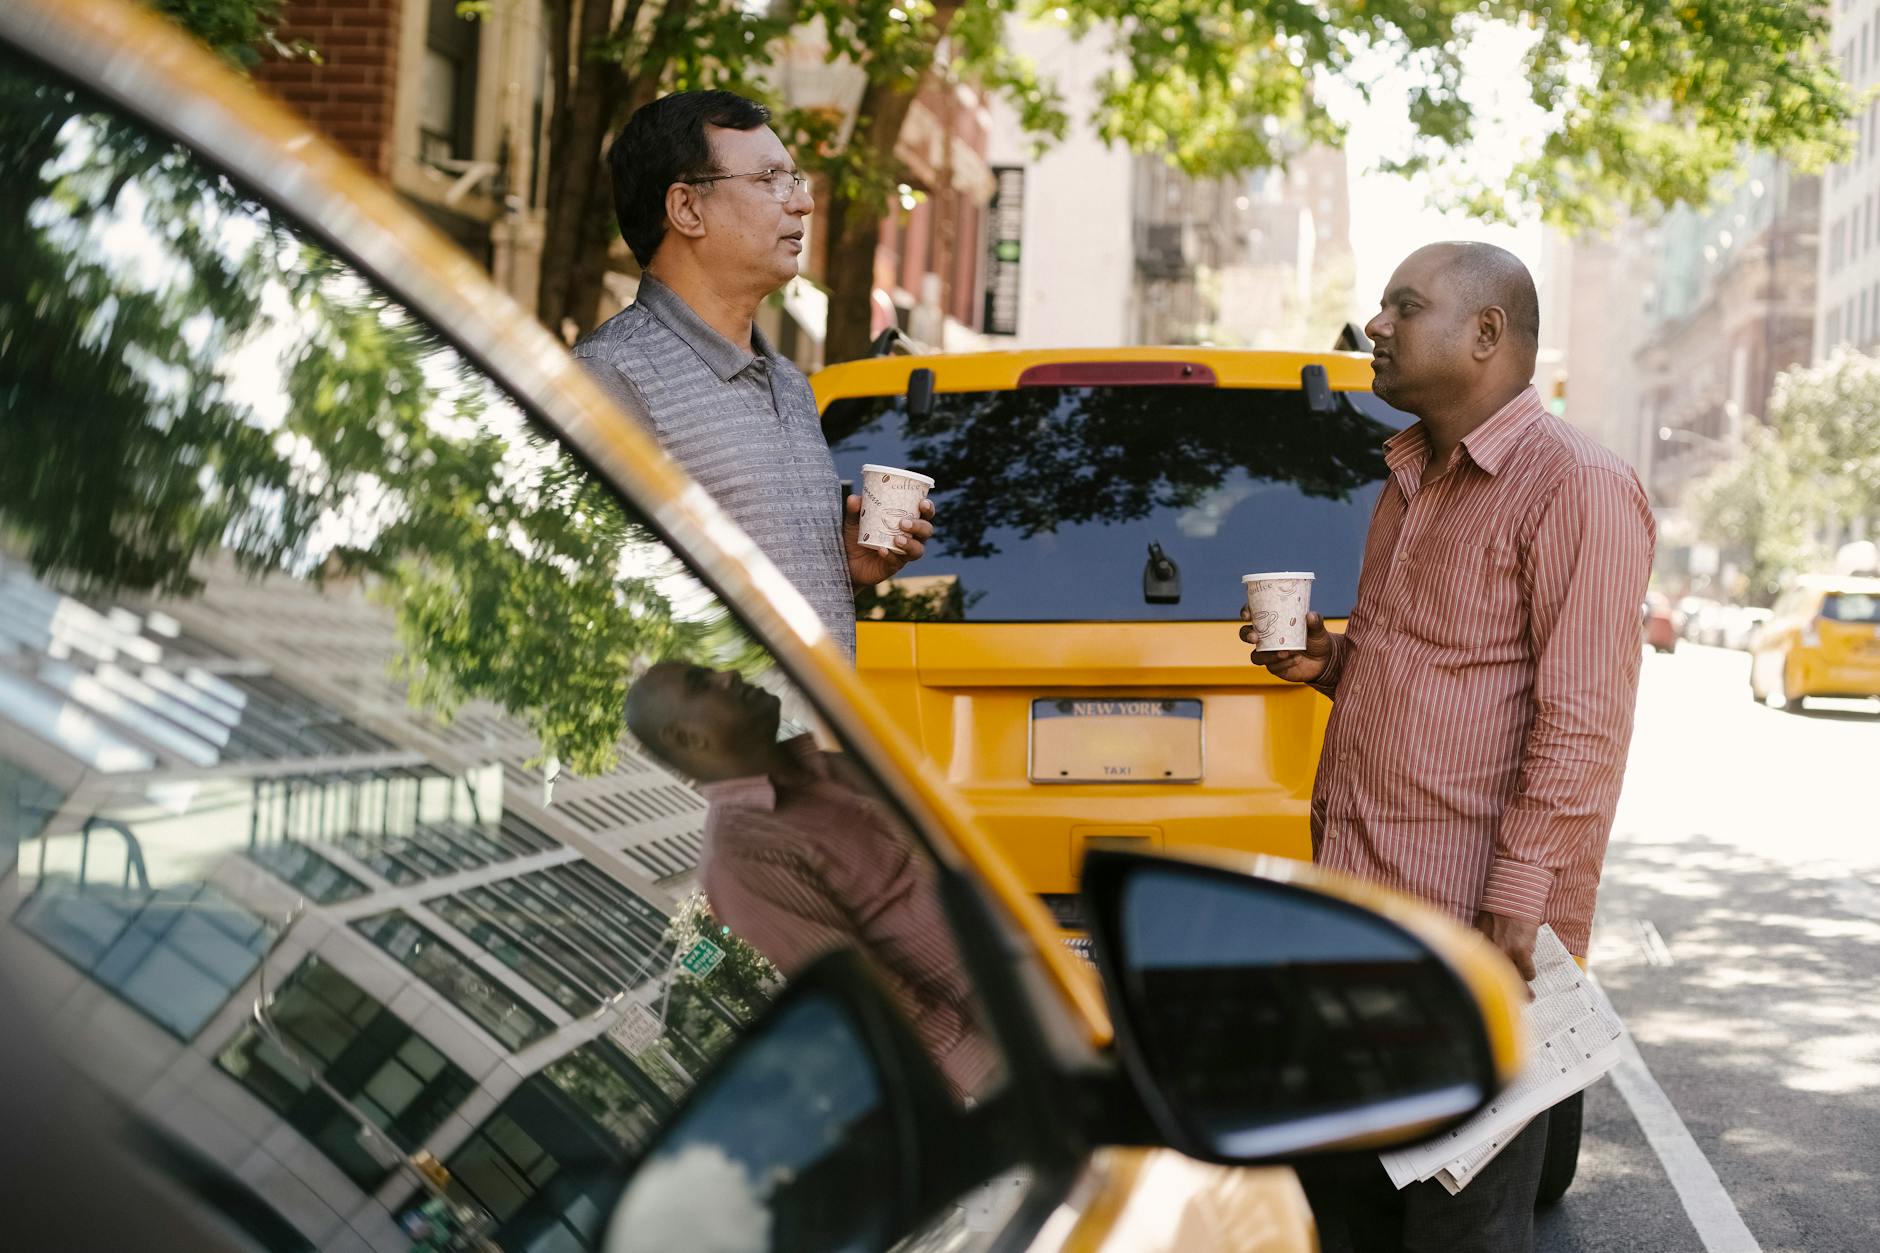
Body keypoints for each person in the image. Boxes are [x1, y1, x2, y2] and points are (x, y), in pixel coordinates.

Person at [1245, 242, 1654, 1251]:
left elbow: (1581, 716)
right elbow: (1434, 668)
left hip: (1472, 938)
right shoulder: (1409, 476)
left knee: (1454, 1222)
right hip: (1355, 917)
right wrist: (1332, 663)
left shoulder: (1577, 486)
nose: (1374, 326)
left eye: (1401, 306)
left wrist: (1518, 902)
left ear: (1484, 334)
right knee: (1340, 1209)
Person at [574, 91, 933, 661]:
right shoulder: (612, 378)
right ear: (687, 209)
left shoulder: (789, 383)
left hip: (809, 746)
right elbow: (592, 610)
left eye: (795, 178)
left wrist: (843, 571)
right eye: (770, 179)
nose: (803, 204)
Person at [624, 661, 996, 1099]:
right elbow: (877, 998)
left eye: (711, 670)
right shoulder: (739, 860)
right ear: (688, 738)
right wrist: (996, 1074)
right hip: (1008, 1019)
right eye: (701, 683)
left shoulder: (830, 760)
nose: (727, 675)